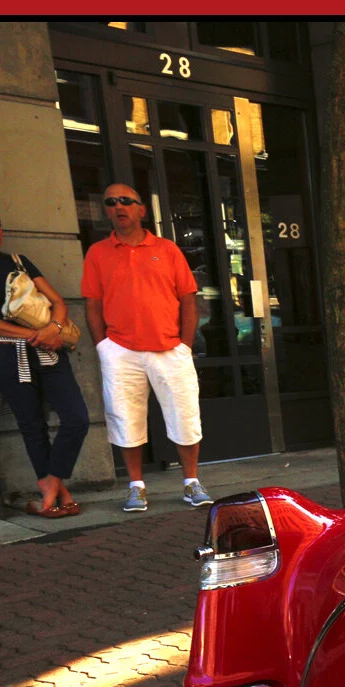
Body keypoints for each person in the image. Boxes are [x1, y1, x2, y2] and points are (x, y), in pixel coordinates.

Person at [81, 183, 211, 511]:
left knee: (185, 415)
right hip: (120, 351)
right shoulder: (97, 253)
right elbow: (93, 305)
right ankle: (136, 485)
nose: (119, 207)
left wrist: (184, 344)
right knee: (125, 418)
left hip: (169, 349)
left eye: (126, 201)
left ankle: (191, 481)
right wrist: (103, 347)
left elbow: (188, 300)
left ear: (142, 209)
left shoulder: (167, 250)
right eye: (111, 202)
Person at [0, 200, 89, 519]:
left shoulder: (18, 260)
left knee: (76, 418)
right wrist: (31, 335)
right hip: (5, 351)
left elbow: (57, 300)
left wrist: (53, 328)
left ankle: (50, 485)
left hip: (48, 347)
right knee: (31, 423)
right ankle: (58, 492)